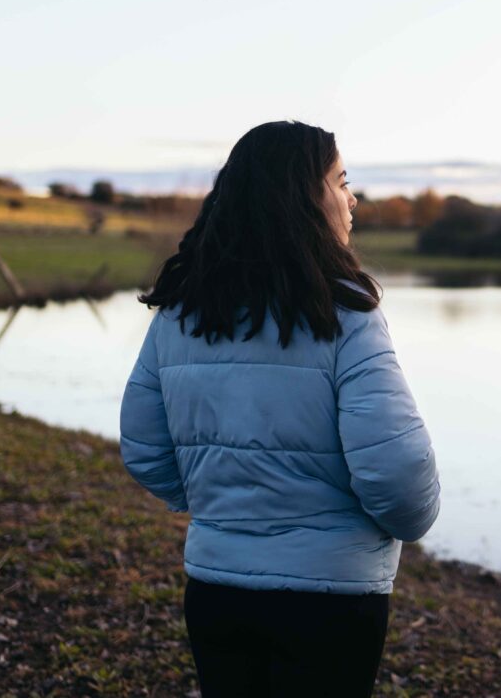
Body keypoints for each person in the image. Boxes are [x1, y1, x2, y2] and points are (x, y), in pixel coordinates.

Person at [119, 120, 440, 698]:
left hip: (217, 591)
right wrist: (408, 524)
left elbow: (145, 449)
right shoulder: (346, 314)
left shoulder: (182, 311)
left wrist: (220, 507)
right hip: (332, 598)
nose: (353, 198)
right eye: (341, 182)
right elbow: (397, 474)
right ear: (305, 200)